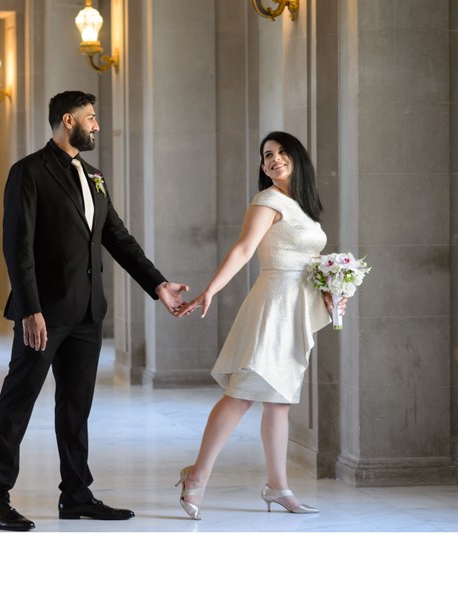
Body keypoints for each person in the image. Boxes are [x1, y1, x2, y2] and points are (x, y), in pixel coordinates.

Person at [0, 90, 189, 531]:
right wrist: (29, 309)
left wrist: (158, 284)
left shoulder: (93, 175)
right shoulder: (28, 172)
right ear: (66, 120)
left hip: (88, 314)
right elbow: (16, 247)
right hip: (45, 314)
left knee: (76, 407)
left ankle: (76, 495)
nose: (97, 125)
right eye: (90, 118)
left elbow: (118, 237)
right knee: (18, 402)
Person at [175, 131, 346, 520]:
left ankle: (277, 486)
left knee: (280, 402)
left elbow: (311, 260)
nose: (274, 159)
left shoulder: (303, 205)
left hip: (297, 306)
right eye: (267, 155)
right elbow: (243, 249)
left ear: (297, 158)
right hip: (274, 305)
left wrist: (332, 288)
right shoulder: (267, 199)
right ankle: (197, 476)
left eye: (282, 152)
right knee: (243, 392)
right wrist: (210, 291)